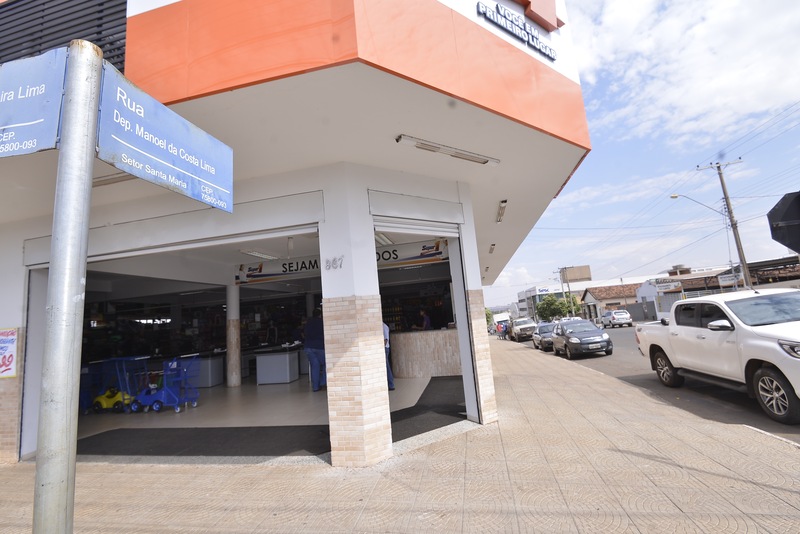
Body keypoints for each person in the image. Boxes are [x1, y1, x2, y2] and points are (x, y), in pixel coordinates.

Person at [303, 308, 327, 392]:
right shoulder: (322, 322)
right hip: (319, 346)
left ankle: (315, 387)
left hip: (308, 347)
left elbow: (305, 333)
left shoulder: (308, 323)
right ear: (320, 315)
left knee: (315, 366)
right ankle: (323, 383)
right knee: (326, 364)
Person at [383, 322, 395, 391]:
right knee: (386, 366)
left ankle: (391, 385)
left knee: (387, 367)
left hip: (385, 349)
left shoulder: (384, 327)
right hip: (384, 348)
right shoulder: (382, 326)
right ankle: (390, 384)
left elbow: (385, 340)